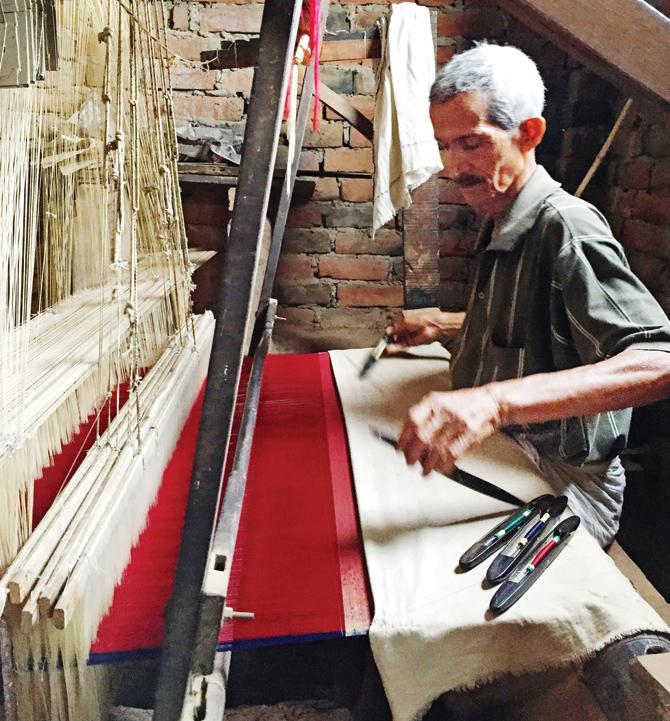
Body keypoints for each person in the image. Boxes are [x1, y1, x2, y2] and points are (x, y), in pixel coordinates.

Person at [389, 43, 670, 546]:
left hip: (567, 481)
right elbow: (534, 329)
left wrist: (495, 403)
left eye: (471, 144)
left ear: (529, 133)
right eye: (445, 146)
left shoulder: (567, 228)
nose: (454, 168)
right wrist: (448, 324)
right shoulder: (502, 212)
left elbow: (659, 360)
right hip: (509, 452)